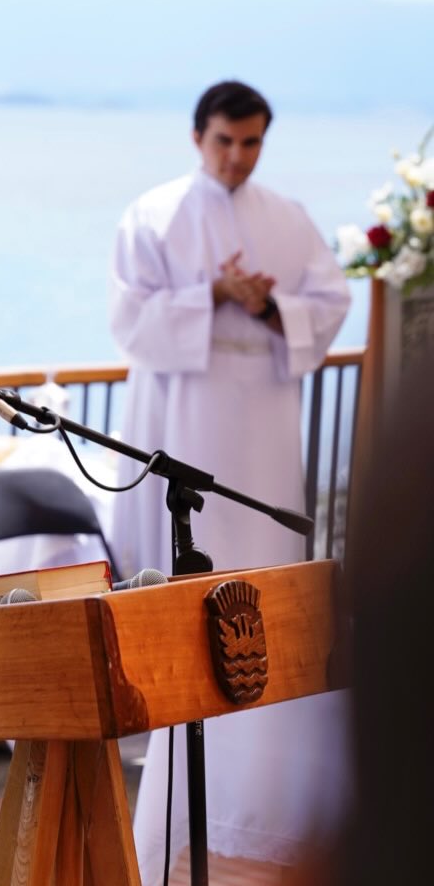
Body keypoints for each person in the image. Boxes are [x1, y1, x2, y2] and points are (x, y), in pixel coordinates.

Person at [108, 80, 352, 883]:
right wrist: (209, 293)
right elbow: (129, 319)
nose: (237, 157)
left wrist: (273, 303)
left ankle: (268, 785)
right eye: (224, 141)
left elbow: (332, 298)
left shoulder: (289, 217)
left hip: (269, 423)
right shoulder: (154, 214)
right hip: (193, 417)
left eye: (250, 143)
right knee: (199, 591)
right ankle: (186, 783)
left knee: (269, 589)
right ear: (196, 136)